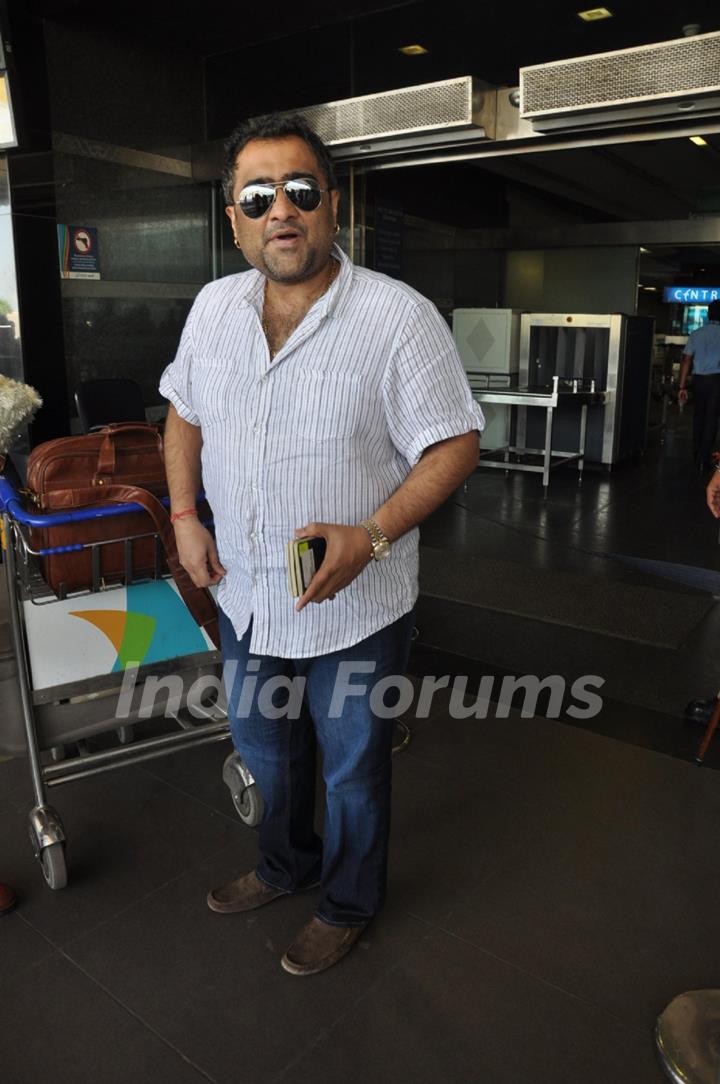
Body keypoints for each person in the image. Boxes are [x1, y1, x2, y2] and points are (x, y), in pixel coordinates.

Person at [159, 113, 483, 976]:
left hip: (359, 600)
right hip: (246, 589)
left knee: (352, 768)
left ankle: (346, 902)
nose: (280, 210)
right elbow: (183, 413)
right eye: (257, 195)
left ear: (332, 204)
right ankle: (285, 865)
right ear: (233, 217)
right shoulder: (212, 309)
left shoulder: (397, 317)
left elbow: (454, 442)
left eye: (299, 190)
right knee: (265, 749)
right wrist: (185, 517)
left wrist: (371, 533)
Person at [678, 299, 720, 469]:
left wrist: (682, 386)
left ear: (709, 314)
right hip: (716, 380)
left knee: (698, 416)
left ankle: (696, 453)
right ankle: (704, 456)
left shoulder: (696, 333)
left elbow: (687, 359)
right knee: (712, 417)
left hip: (698, 380)